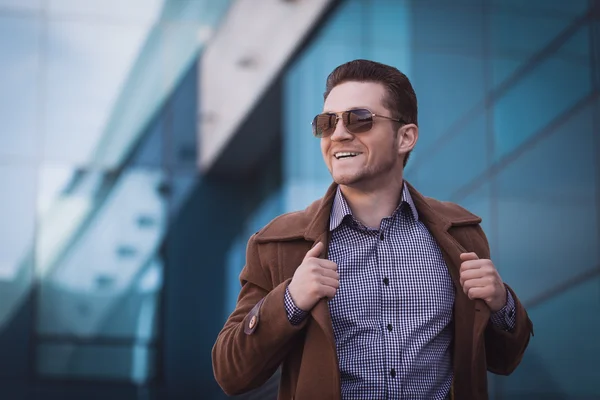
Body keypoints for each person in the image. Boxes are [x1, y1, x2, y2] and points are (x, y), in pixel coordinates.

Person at [212, 59, 533, 400]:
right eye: (327, 122)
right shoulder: (276, 244)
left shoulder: (461, 235)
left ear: (405, 137)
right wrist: (290, 301)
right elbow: (231, 373)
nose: (338, 134)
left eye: (359, 119)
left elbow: (504, 360)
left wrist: (502, 304)